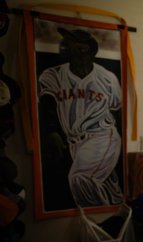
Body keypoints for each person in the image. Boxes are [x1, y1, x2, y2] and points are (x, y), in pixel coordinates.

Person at [38, 27, 123, 207]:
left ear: (89, 49)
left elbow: (116, 107)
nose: (69, 47)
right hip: (74, 142)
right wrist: (52, 130)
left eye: (77, 44)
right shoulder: (53, 74)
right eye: (68, 43)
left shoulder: (107, 78)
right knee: (109, 192)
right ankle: (116, 223)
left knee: (80, 178)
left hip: (101, 136)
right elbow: (46, 105)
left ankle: (101, 223)